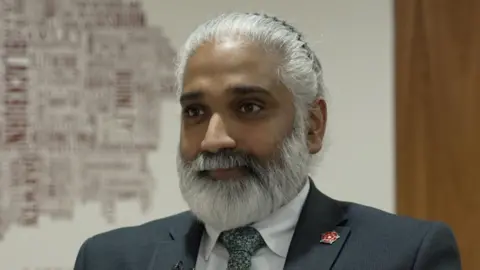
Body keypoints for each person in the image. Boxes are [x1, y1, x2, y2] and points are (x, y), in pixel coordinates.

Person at [73, 12, 462, 270]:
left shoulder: (405, 255)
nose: (214, 140)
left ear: (312, 125)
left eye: (248, 107)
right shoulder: (110, 259)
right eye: (195, 112)